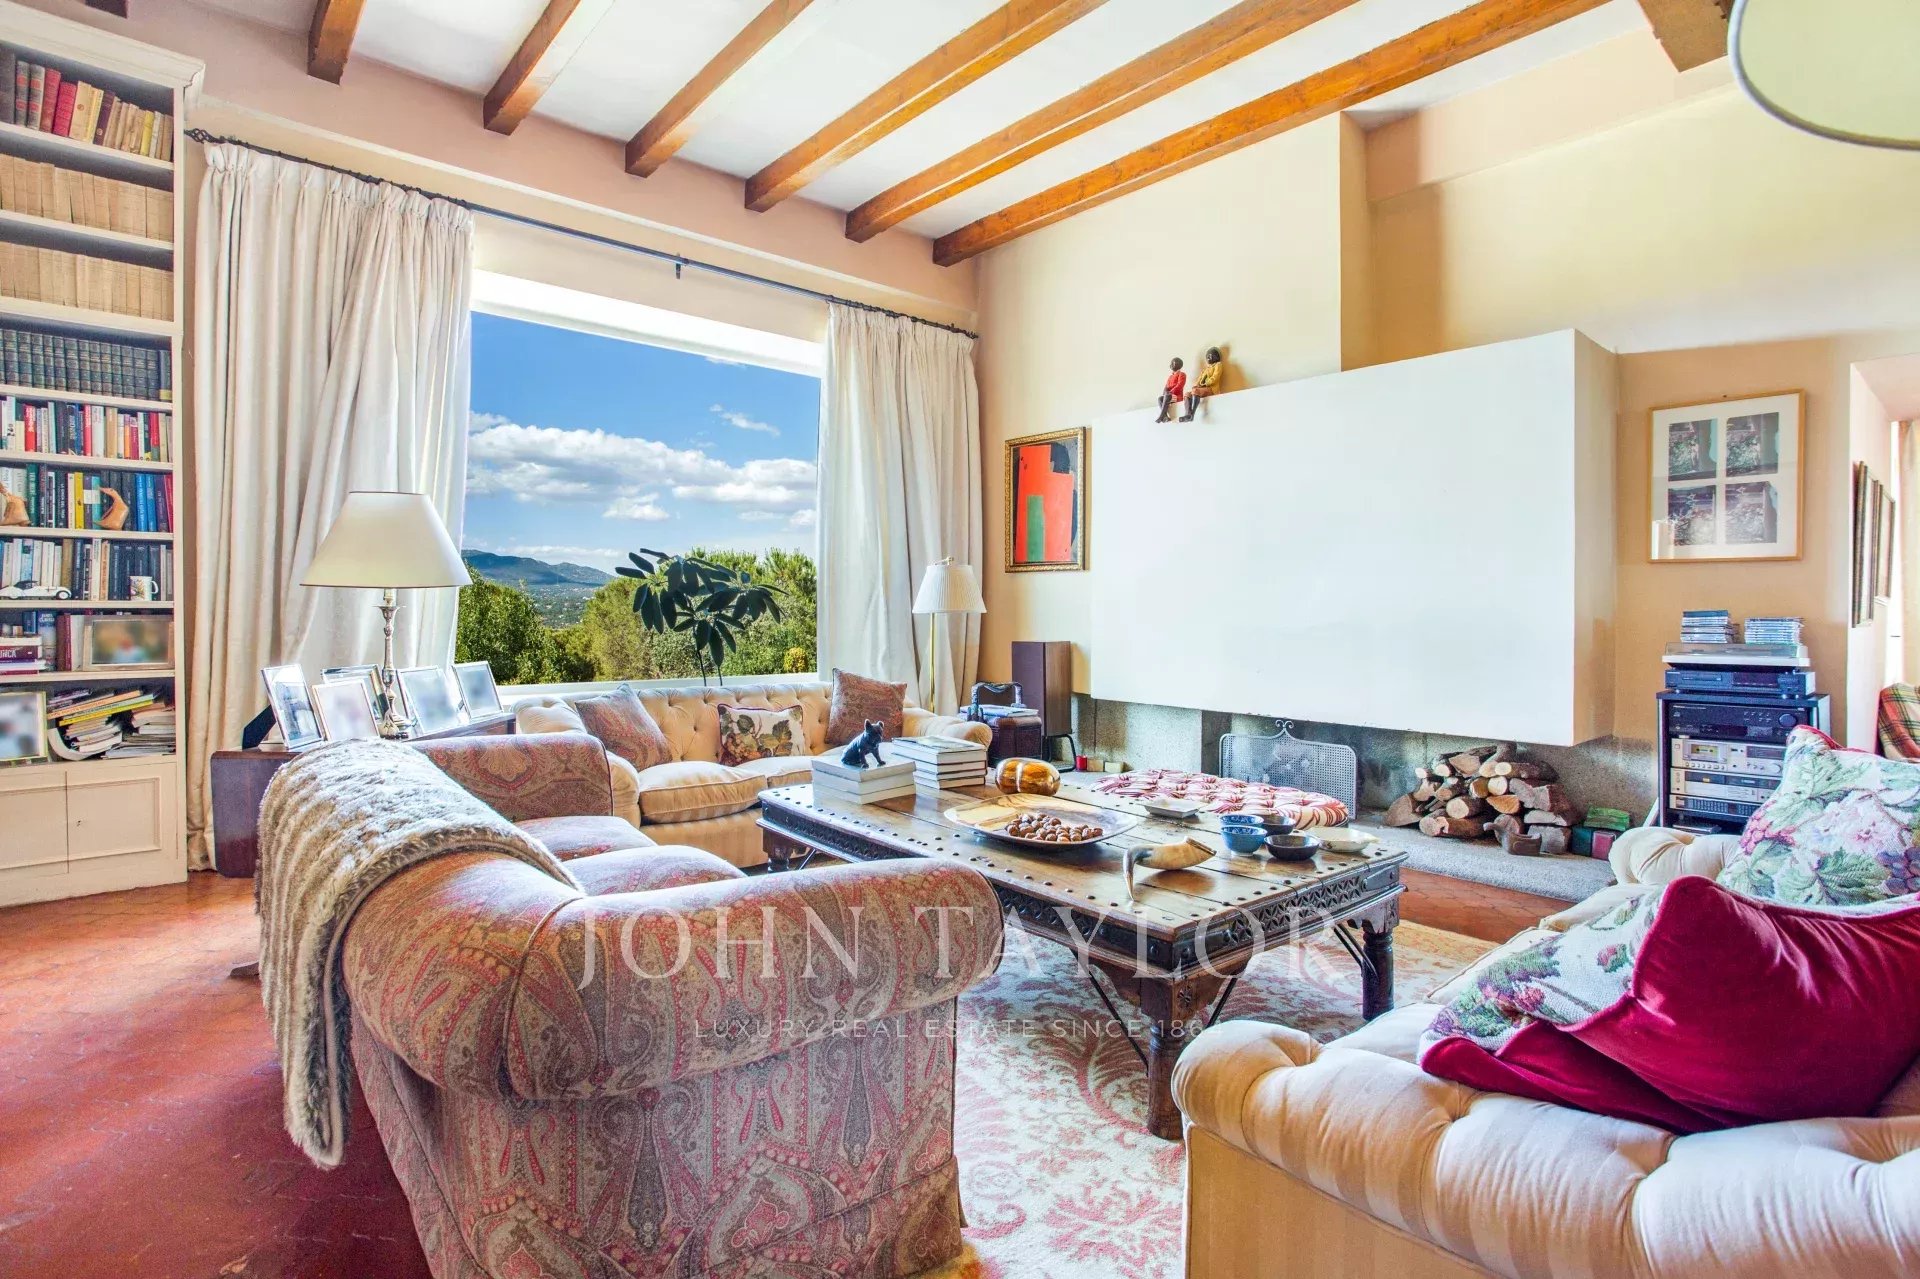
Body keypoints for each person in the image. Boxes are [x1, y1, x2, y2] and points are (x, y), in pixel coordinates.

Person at [1181, 347, 1223, 421]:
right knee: (1187, 394)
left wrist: (1205, 383)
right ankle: (1188, 413)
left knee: (1196, 391)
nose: (1208, 358)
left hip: (1211, 389)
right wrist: (1196, 386)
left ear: (1216, 357)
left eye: (1210, 356)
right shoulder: (1205, 369)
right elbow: (1199, 379)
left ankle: (1192, 414)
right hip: (1202, 389)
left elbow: (1215, 378)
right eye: (1207, 356)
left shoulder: (1218, 365)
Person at [1156, 357, 1186, 423]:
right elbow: (1166, 387)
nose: (1171, 365)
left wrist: (1170, 393)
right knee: (1160, 399)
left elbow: (1179, 386)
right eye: (1171, 363)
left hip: (1177, 396)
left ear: (1178, 364)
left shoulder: (1182, 374)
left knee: (1167, 396)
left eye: (1173, 363)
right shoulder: (1170, 377)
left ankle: (1161, 416)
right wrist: (1165, 393)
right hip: (1169, 396)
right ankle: (1165, 417)